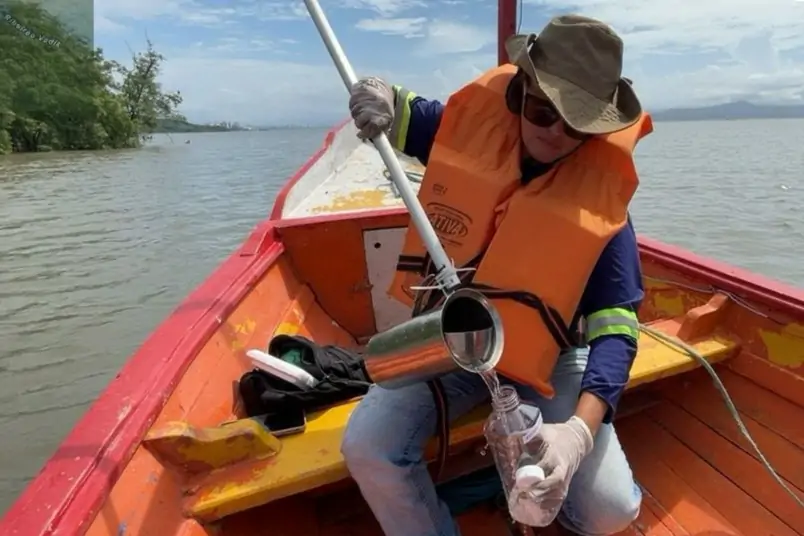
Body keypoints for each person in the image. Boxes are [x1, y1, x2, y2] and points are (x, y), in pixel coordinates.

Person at [341, 14, 651, 536]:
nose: (555, 134)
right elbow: (400, 111)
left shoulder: (605, 214)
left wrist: (577, 433)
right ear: (518, 91)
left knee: (611, 511)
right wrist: (376, 95)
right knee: (368, 446)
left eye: (576, 124)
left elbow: (617, 331)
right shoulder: (468, 129)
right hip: (456, 340)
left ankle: (547, 495)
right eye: (542, 111)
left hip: (549, 355)